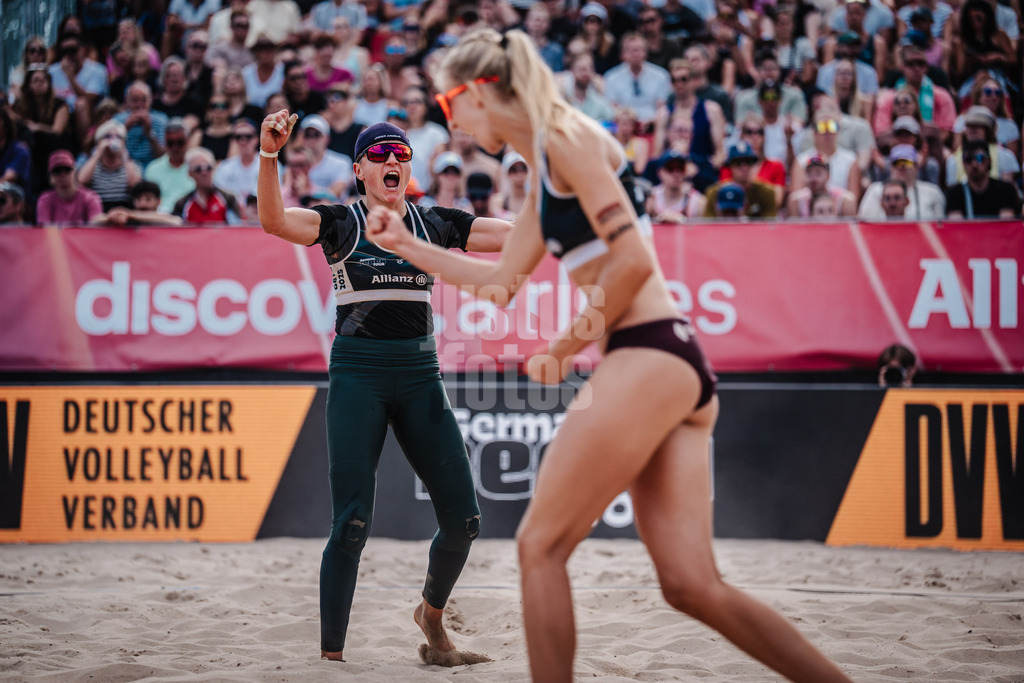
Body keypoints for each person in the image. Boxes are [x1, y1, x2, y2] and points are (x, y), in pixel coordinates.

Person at [364, 28, 853, 682]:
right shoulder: (544, 171)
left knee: (539, 546)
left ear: (482, 90)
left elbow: (630, 260)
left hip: (646, 350)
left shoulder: (565, 139)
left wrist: (564, 345)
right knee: (690, 585)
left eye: (450, 105)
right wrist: (407, 246)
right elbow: (500, 281)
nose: (448, 122)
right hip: (668, 359)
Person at [256, 115, 512, 664]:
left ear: (410, 166)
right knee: (351, 523)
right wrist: (269, 156)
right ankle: (331, 662)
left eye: (400, 153)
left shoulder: (435, 223)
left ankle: (432, 618)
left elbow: (514, 238)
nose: (392, 160)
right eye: (379, 154)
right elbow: (274, 221)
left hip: (422, 377)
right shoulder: (341, 222)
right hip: (358, 377)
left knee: (465, 520)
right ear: (359, 170)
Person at [858, 145, 945, 220]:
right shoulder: (874, 190)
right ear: (890, 166)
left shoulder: (933, 192)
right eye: (897, 162)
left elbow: (941, 226)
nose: (902, 167)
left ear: (917, 166)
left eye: (907, 162)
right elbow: (864, 223)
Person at [944, 140, 1022, 218]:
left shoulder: (1005, 190)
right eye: (968, 159)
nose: (974, 164)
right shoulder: (954, 194)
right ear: (963, 164)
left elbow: (1005, 224)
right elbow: (956, 226)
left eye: (979, 158)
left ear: (989, 160)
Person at [703, 142, 777, 219]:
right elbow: (709, 225)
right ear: (730, 165)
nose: (744, 168)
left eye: (748, 162)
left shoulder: (766, 193)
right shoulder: (715, 193)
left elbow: (770, 226)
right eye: (738, 163)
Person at [174, 147, 245, 223]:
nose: (204, 173)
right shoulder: (182, 203)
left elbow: (238, 227)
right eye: (198, 169)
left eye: (208, 168)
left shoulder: (228, 198)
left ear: (213, 170)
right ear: (190, 173)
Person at [35, 149, 103, 224]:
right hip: (54, 236)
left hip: (84, 236)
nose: (62, 174)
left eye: (67, 169)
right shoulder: (45, 200)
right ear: (50, 175)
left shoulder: (90, 198)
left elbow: (96, 227)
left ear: (74, 170)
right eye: (57, 170)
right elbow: (44, 230)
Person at [786, 154, 858, 218]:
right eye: (809, 173)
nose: (813, 178)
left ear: (828, 176)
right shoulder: (796, 201)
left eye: (818, 173)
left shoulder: (844, 201)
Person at [90, 180, 185, 226]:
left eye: (148, 199)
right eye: (138, 199)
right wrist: (113, 216)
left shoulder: (165, 216)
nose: (142, 204)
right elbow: (94, 221)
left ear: (159, 201)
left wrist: (131, 215)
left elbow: (177, 222)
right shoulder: (127, 219)